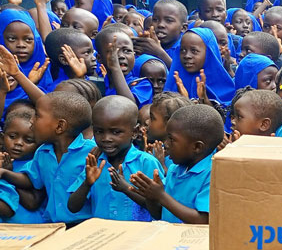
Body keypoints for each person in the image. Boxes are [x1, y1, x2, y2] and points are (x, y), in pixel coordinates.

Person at [0, 92, 96, 224]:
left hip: (84, 224)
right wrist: (5, 173)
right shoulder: (43, 151)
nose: (32, 121)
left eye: (38, 115)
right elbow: (31, 179)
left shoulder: (91, 153)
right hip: (53, 224)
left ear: (59, 126)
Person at [67, 96, 162, 221]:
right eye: (99, 131)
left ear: (134, 132)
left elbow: (159, 210)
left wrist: (126, 189)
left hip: (139, 236)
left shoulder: (146, 163)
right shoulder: (95, 163)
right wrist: (87, 183)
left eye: (116, 132)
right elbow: (73, 207)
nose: (106, 138)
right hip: (103, 236)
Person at [130, 104, 223, 224]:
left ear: (197, 147)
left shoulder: (213, 175)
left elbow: (203, 221)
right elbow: (158, 214)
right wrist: (151, 197)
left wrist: (161, 196)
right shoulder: (175, 169)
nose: (166, 144)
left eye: (171, 139)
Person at [163, 27, 235, 104]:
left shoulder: (224, 88)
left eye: (194, 51)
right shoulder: (174, 84)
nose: (187, 56)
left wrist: (205, 100)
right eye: (183, 50)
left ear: (209, 53)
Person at [0, 107, 45, 223]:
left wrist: (8, 174)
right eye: (12, 137)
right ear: (2, 138)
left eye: (28, 140)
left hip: (33, 228)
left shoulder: (38, 164)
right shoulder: (3, 161)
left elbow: (32, 203)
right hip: (7, 232)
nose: (18, 143)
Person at [133, 0, 188, 68]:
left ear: (183, 28)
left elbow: (184, 75)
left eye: (168, 20)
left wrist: (158, 52)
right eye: (155, 20)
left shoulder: (185, 49)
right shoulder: (146, 45)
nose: (160, 25)